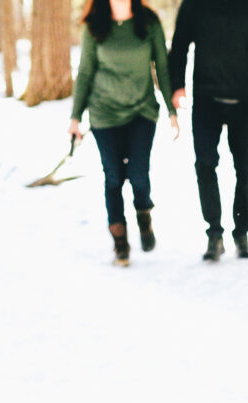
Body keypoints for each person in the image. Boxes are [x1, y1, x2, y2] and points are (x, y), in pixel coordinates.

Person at [168, 0, 248, 262]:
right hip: (206, 99)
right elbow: (179, 46)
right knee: (205, 164)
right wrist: (177, 84)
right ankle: (214, 233)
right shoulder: (194, 5)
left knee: (244, 169)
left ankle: (242, 232)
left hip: (246, 101)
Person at [69, 0, 178, 267]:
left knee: (139, 175)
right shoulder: (95, 26)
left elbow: (162, 67)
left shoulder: (149, 23)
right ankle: (120, 242)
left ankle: (144, 214)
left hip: (142, 111)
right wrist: (75, 116)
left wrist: (171, 110)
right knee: (114, 177)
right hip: (104, 114)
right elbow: (85, 72)